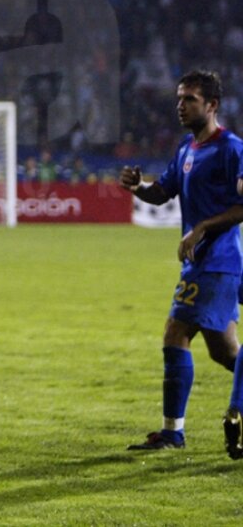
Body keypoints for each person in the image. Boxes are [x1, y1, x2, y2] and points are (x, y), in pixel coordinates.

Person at [120, 70, 243, 451]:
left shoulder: (231, 148)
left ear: (212, 105)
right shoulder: (187, 149)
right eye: (179, 98)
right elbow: (161, 193)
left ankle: (173, 432)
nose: (180, 105)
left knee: (176, 332)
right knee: (224, 351)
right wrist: (138, 186)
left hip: (218, 260)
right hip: (202, 261)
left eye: (189, 99)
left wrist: (204, 227)